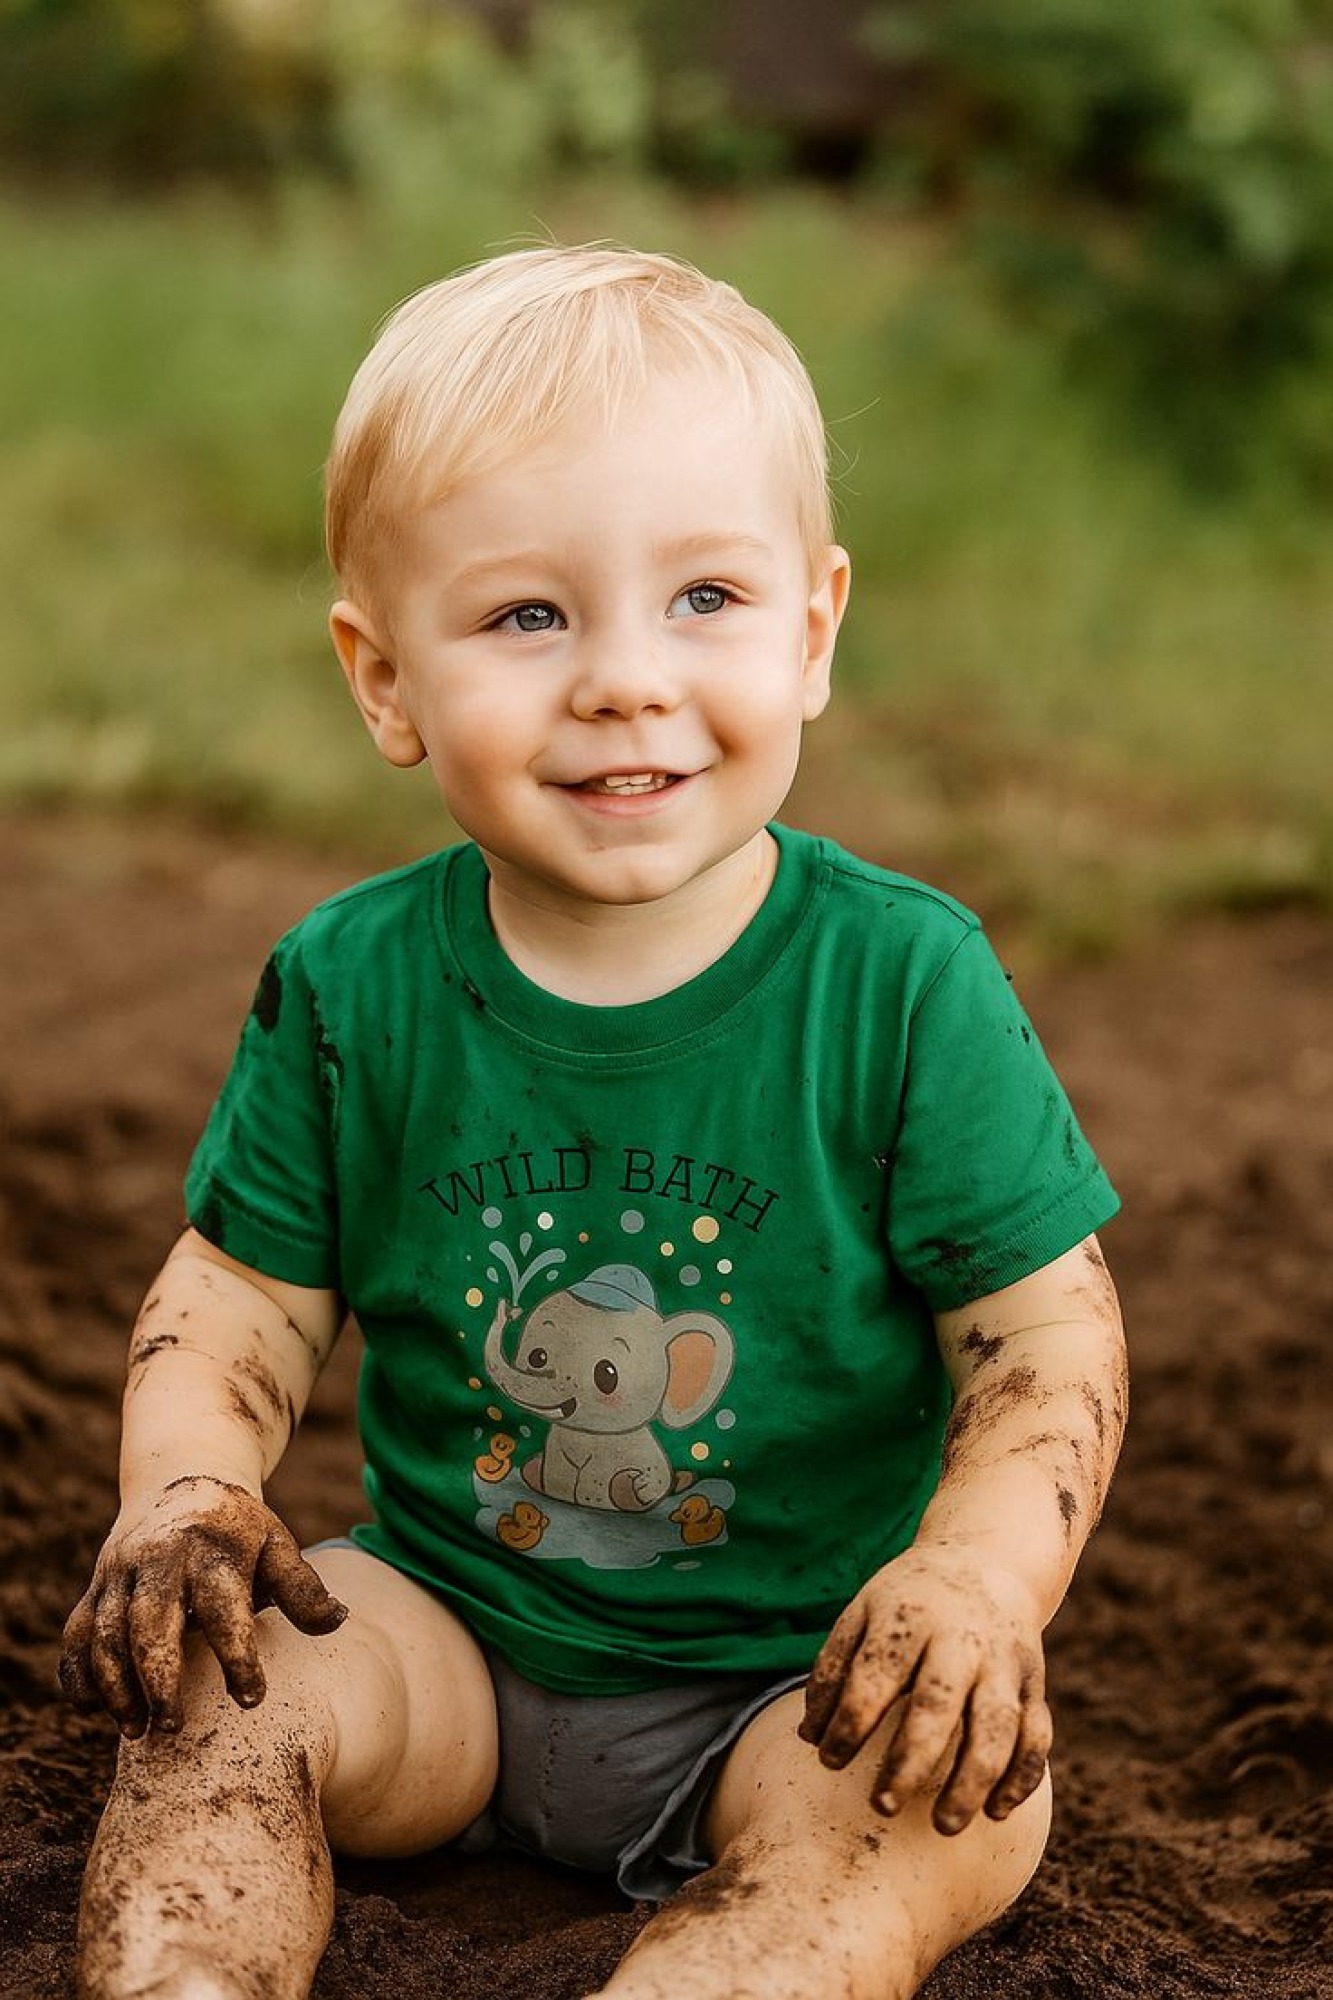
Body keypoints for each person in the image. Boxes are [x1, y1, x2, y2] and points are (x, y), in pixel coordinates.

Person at [60, 244, 1127, 2000]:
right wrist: (188, 1490)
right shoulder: (351, 985)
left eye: (703, 596)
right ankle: (186, 1976)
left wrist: (972, 1583)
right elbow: (240, 1300)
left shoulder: (901, 983)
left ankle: (722, 1975)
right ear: (384, 680)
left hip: (800, 1684)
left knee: (932, 1811)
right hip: (444, 1642)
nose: (624, 678)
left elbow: (1042, 1345)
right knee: (213, 1701)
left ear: (811, 631)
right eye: (526, 617)